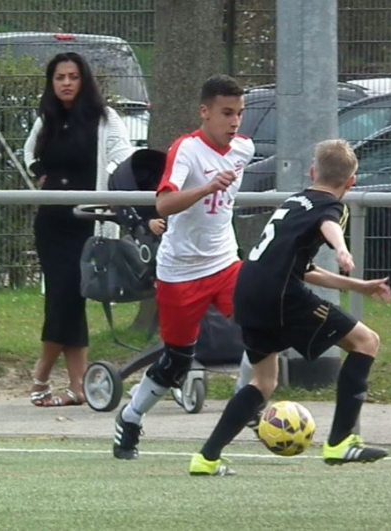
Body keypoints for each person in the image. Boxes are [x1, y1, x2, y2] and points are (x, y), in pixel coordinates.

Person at [189, 139, 391, 475]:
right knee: (366, 342)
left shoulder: (294, 201)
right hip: (281, 296)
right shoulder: (332, 205)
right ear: (351, 182)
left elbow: (305, 269)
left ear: (312, 172)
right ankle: (341, 441)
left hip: (248, 291)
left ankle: (206, 459)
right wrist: (341, 248)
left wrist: (360, 286)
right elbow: (329, 223)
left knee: (263, 381)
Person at [112, 74, 254, 459]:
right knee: (176, 360)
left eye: (239, 113)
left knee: (262, 330)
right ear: (204, 112)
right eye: (226, 113)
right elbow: (163, 204)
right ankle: (131, 416)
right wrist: (206, 188)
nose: (234, 122)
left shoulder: (244, 148)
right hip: (180, 272)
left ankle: (248, 404)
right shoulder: (186, 150)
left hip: (225, 263)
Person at [22, 52, 133, 407]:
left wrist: (111, 194)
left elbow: (122, 158)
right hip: (51, 223)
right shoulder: (47, 118)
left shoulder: (105, 118)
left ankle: (44, 374)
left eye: (72, 76)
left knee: (71, 296)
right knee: (64, 297)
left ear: (83, 80)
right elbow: (30, 153)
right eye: (59, 77)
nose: (66, 83)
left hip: (87, 222)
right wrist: (41, 174)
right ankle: (77, 386)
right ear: (51, 82)